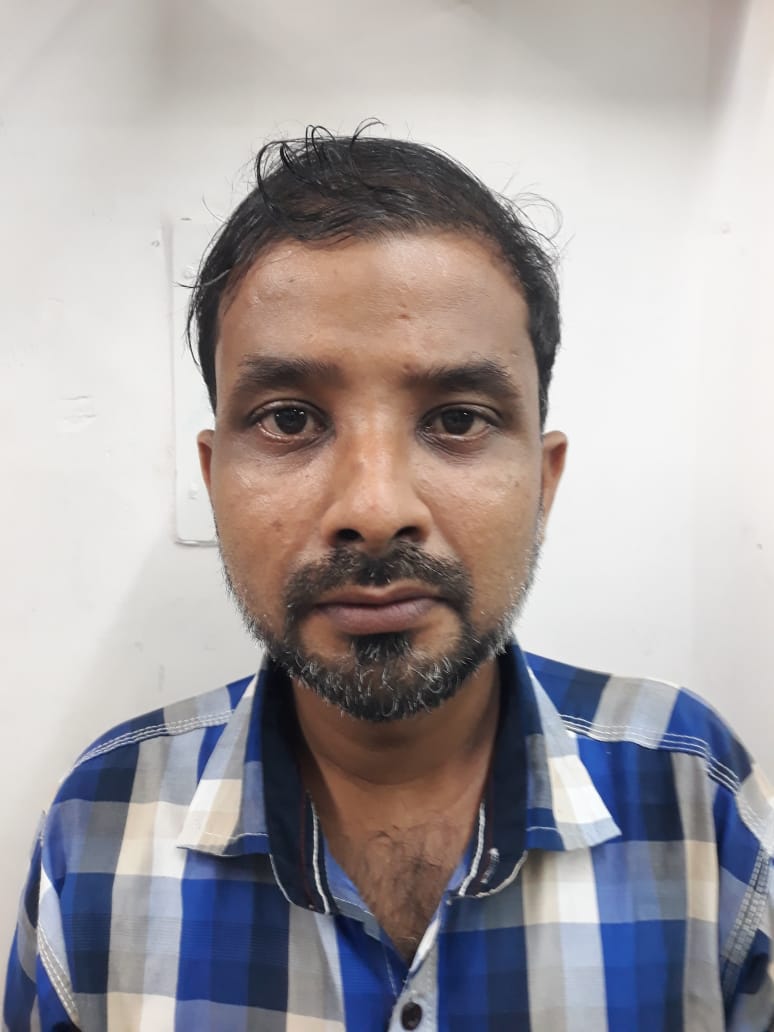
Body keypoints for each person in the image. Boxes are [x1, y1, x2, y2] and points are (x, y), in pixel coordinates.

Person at [4, 125, 773, 1032]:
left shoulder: (693, 796)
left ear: (543, 481)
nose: (374, 508)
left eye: (458, 419)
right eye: (290, 419)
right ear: (214, 481)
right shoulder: (101, 824)